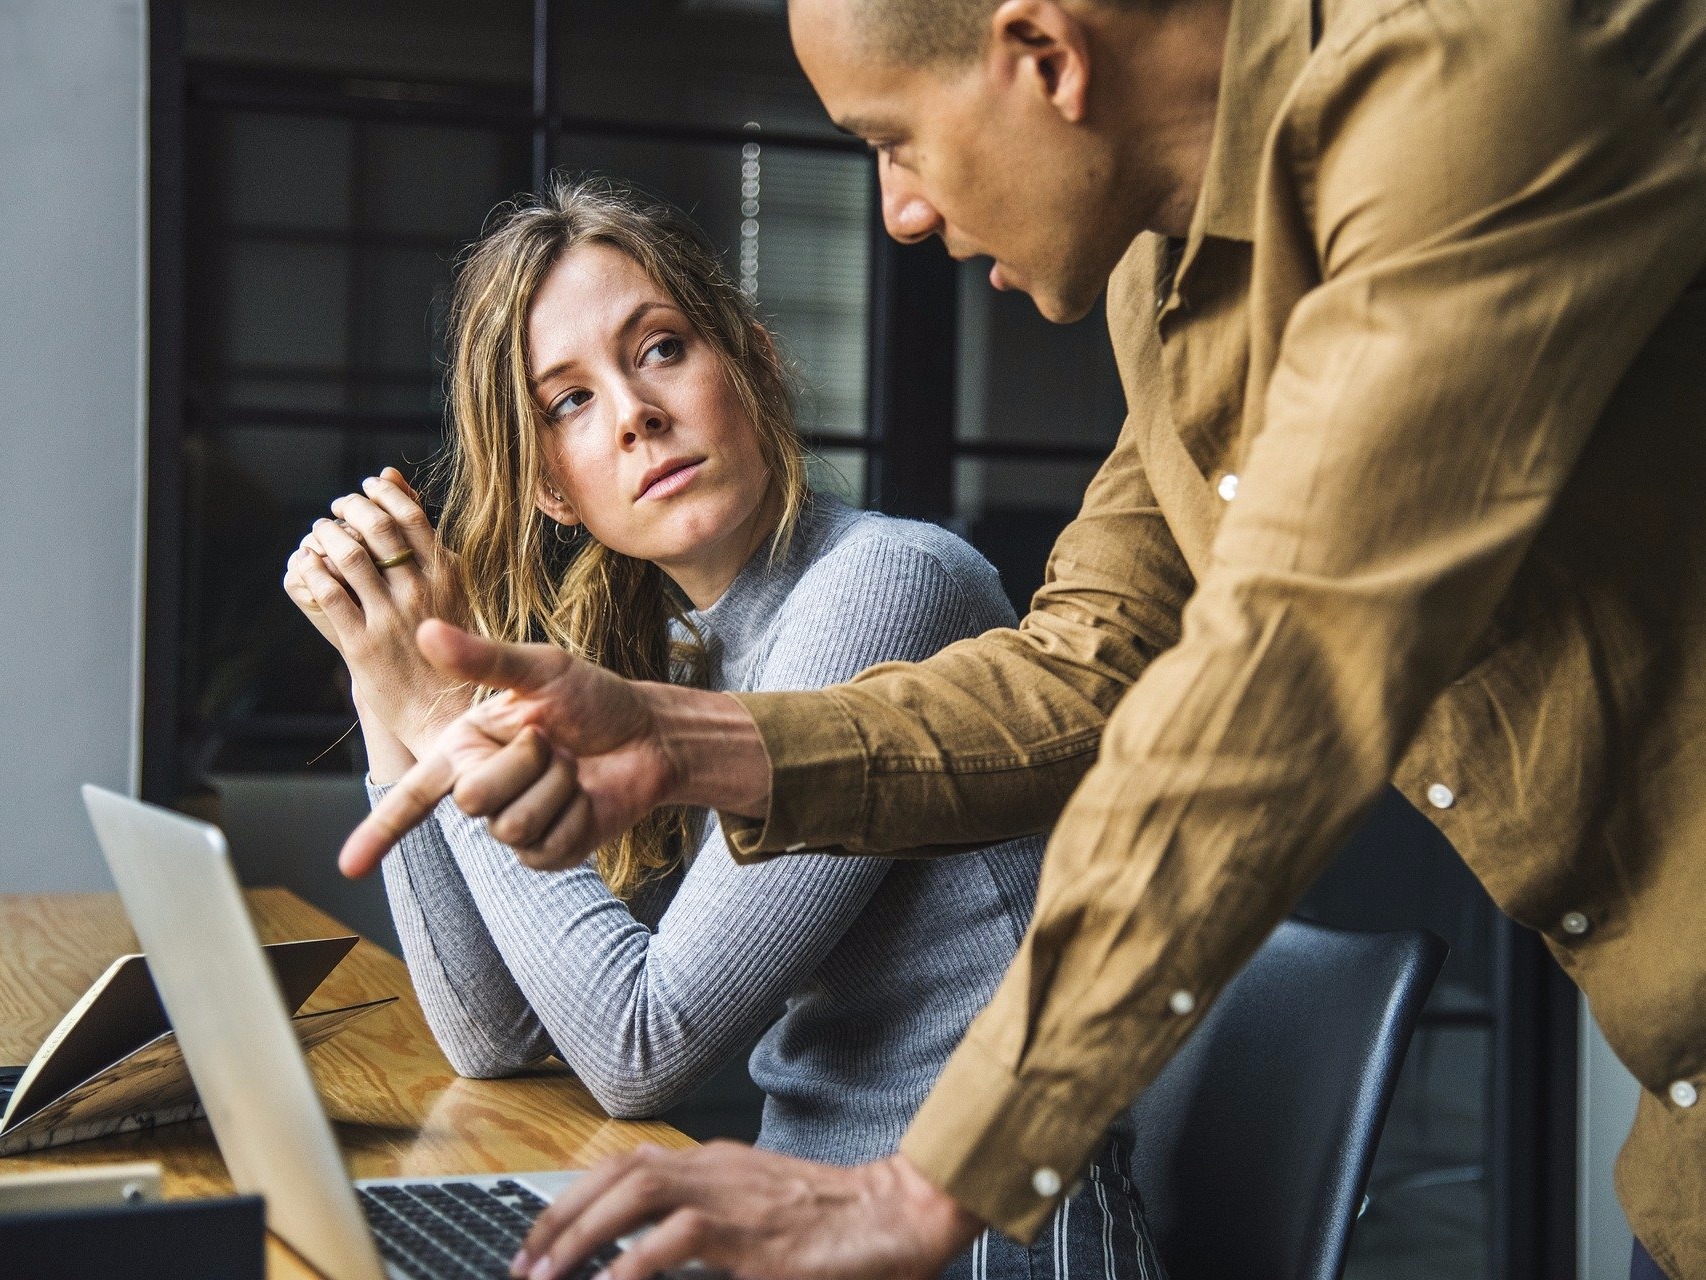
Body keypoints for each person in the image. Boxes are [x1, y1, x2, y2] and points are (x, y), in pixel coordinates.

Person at [345, 0, 1706, 1275]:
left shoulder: (1470, 100)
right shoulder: (1167, 285)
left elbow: (1283, 668)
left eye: (893, 141)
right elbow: (1088, 665)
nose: (901, 211)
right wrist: (681, 737)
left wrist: (931, 1181)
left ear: (1042, 54)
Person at [284, 178, 1163, 1280]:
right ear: (554, 491)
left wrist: (444, 715)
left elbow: (636, 1045)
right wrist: (386, 683)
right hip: (803, 1230)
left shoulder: (886, 585)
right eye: (567, 403)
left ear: (748, 358)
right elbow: (492, 1037)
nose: (632, 413)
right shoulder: (680, 647)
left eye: (657, 349)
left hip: (983, 1242)